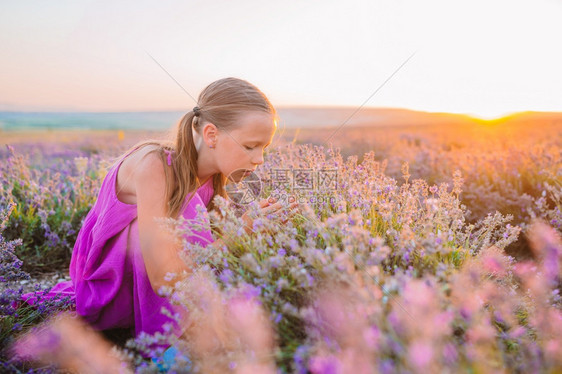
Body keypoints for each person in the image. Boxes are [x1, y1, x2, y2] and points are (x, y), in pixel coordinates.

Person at [21, 77, 297, 351]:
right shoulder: (156, 166)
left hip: (161, 286)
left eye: (264, 148)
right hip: (114, 290)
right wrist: (240, 233)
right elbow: (164, 276)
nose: (259, 159)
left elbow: (211, 252)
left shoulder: (214, 178)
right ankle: (171, 348)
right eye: (250, 146)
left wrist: (257, 230)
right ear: (211, 134)